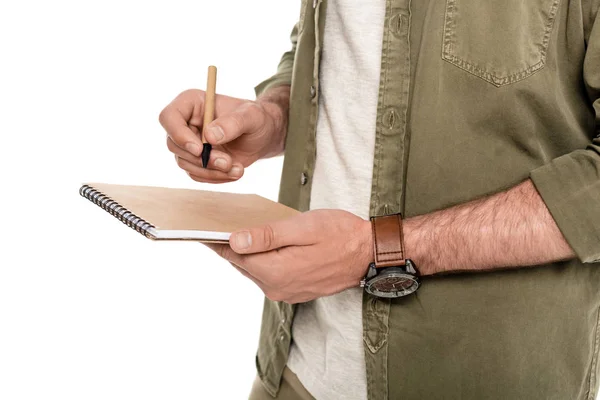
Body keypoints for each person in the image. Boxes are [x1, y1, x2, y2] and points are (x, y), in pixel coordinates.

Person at [159, 0, 600, 398]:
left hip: (482, 377)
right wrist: (273, 116)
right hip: (294, 369)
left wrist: (374, 251)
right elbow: (324, 44)